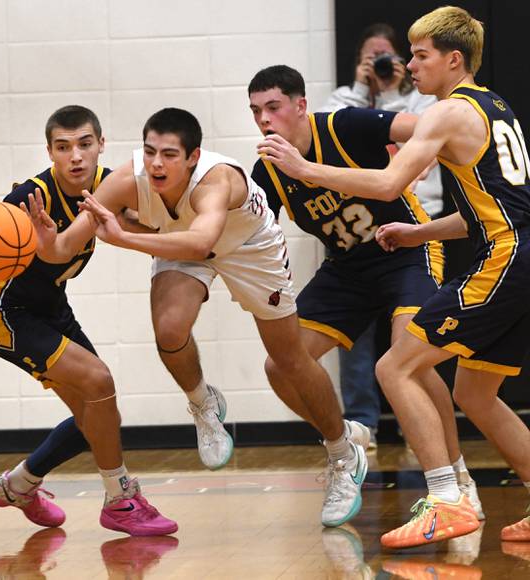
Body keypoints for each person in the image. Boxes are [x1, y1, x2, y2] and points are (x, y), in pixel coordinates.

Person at [260, 5, 530, 548]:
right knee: (476, 393)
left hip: (505, 257)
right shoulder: (495, 106)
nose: (410, 65)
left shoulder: (447, 112)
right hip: (516, 250)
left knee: (395, 365)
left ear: (454, 60)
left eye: (422, 55)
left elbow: (386, 186)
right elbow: (497, 208)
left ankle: (447, 500)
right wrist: (416, 233)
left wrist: (304, 169)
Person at [25, 107, 369, 528]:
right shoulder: (125, 180)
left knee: (290, 360)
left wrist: (125, 238)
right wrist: (45, 243)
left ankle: (342, 452)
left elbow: (203, 240)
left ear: (193, 157)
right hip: (183, 246)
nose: (155, 163)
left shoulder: (216, 180)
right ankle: (204, 404)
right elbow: (63, 248)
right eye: (150, 151)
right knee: (169, 329)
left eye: (169, 154)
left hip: (248, 248)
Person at [0, 105, 177, 537]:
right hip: (3, 312)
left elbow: (143, 228)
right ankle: (120, 500)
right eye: (63, 147)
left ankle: (16, 486)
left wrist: (200, 243)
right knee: (99, 382)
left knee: (98, 421)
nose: (75, 156)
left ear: (101, 146)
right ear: (50, 152)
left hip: (51, 306)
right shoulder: (27, 199)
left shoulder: (109, 185)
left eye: (84, 144)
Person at [248, 64, 482, 522]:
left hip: (405, 250)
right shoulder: (268, 170)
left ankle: (456, 478)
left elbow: (430, 128)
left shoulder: (344, 124)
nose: (263, 120)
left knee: (405, 360)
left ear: (300, 106)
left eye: (273, 107)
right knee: (280, 365)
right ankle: (345, 439)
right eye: (255, 111)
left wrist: (416, 159)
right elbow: (252, 232)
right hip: (347, 269)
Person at [320, 23, 443, 448]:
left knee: (413, 339)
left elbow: (406, 138)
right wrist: (361, 83)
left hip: (417, 228)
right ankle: (361, 424)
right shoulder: (343, 98)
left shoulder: (420, 99)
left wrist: (389, 92)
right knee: (350, 339)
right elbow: (323, 130)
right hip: (353, 235)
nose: (384, 64)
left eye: (389, 56)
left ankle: (420, 425)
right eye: (373, 58)